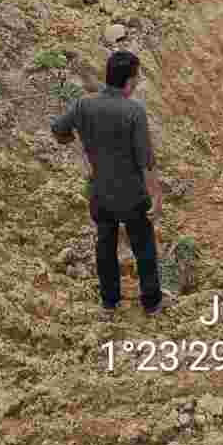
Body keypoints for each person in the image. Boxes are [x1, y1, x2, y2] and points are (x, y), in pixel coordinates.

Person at [50, 50, 166, 315]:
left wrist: (78, 146)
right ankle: (152, 302)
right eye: (136, 77)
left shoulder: (83, 105)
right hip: (131, 194)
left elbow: (58, 129)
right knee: (144, 247)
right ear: (129, 80)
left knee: (105, 244)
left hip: (99, 192)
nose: (137, 81)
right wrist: (156, 196)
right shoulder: (133, 111)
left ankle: (109, 303)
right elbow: (145, 160)